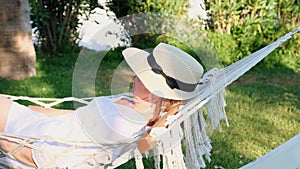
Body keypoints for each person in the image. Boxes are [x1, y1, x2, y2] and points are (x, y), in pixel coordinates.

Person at [0, 43, 204, 168]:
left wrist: (174, 111)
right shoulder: (135, 105)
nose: (134, 76)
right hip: (44, 128)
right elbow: (78, 119)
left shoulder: (131, 125)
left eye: (141, 75)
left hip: (39, 149)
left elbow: (145, 145)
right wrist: (38, 112)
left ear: (156, 91)